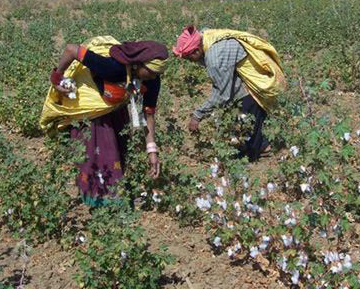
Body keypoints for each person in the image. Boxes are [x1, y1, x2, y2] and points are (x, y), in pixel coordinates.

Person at [40, 37, 168, 206]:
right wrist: (56, 78)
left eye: (157, 74)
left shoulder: (152, 79)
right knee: (100, 153)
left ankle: (115, 195)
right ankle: (102, 204)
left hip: (114, 105)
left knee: (117, 149)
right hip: (92, 110)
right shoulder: (113, 67)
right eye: (151, 72)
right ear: (137, 64)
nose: (153, 77)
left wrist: (152, 151)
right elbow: (72, 49)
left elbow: (148, 114)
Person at [173, 26, 285, 161]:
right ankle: (262, 145)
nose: (191, 62)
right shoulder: (207, 37)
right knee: (241, 116)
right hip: (250, 73)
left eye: (189, 58)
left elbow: (223, 94)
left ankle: (254, 154)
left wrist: (197, 115)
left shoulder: (214, 57)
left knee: (247, 117)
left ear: (196, 50)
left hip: (258, 80)